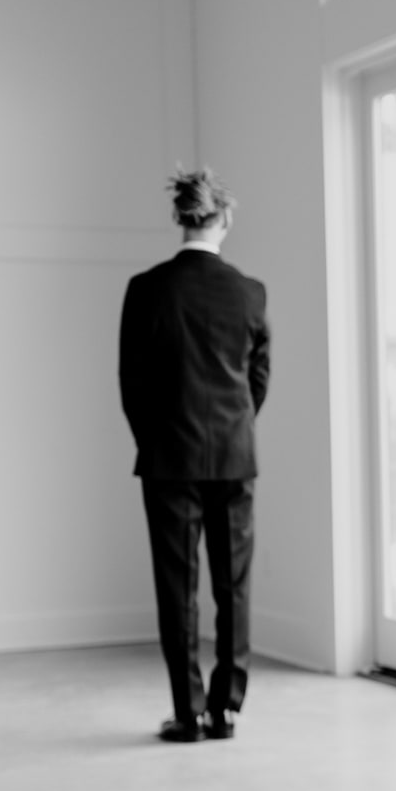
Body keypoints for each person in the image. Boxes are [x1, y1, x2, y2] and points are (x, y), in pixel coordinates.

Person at [118, 168, 270, 743]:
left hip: (167, 459)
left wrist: (155, 437)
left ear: (180, 218)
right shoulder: (250, 292)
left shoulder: (147, 288)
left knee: (176, 587)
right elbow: (258, 379)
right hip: (235, 457)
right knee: (233, 586)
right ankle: (226, 710)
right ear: (224, 219)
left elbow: (131, 382)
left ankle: (187, 712)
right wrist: (233, 426)